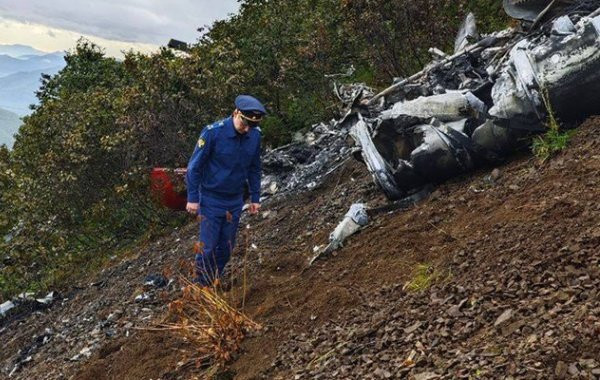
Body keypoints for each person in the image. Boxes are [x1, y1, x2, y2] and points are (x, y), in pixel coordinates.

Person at [185, 95, 266, 286]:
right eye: (244, 123)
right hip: (211, 199)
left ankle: (213, 278)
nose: (246, 129)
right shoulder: (213, 133)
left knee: (226, 248)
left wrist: (255, 197)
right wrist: (192, 197)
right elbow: (193, 167)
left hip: (235, 200)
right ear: (236, 113)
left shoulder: (254, 136)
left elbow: (255, 168)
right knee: (208, 247)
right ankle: (200, 286)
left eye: (251, 126)